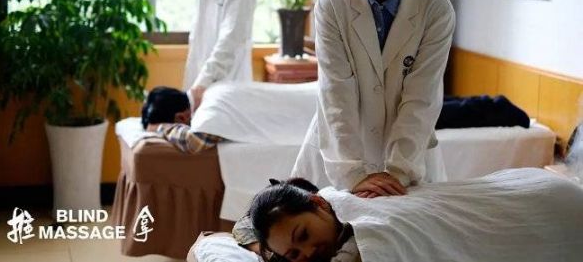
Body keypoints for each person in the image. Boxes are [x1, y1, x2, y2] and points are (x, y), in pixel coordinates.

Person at [291, 0, 456, 197]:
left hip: (408, 164)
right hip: (338, 161)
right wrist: (353, 174)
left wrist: (396, 173)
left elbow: (421, 99)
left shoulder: (435, 12)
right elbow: (336, 93)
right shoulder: (332, 6)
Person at [249, 170, 583, 262]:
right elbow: (245, 227)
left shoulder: (357, 225)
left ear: (318, 204)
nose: (309, 253)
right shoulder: (328, 208)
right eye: (294, 256)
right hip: (527, 182)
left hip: (549, 204)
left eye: (303, 236)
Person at [141, 86, 221, 154]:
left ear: (181, 117)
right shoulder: (210, 92)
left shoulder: (212, 108)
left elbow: (195, 141)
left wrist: (160, 128)